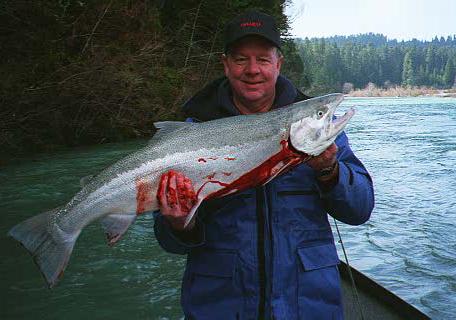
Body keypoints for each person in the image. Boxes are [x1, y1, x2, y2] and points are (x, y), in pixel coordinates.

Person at [154, 10, 374, 320]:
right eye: (241, 59)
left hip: (308, 308)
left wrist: (330, 171)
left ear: (278, 64)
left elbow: (360, 209)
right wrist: (179, 224)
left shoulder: (315, 128)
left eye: (263, 59)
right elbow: (168, 243)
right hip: (219, 308)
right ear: (226, 64)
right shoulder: (191, 134)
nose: (253, 70)